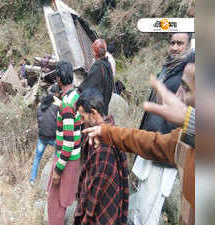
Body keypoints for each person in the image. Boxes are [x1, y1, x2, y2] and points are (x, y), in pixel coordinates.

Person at [83, 58, 195, 225]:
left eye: (186, 88)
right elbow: (147, 142)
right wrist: (106, 131)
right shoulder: (184, 140)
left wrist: (191, 119)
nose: (177, 95)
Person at [130, 33, 193, 225]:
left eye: (179, 43)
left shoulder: (189, 72)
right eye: (172, 43)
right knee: (141, 200)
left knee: (150, 206)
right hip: (151, 142)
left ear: (189, 45)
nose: (174, 47)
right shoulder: (169, 67)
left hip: (164, 149)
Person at [74, 88, 129, 225]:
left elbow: (94, 191)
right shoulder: (110, 130)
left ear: (93, 113)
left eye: (83, 117)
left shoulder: (103, 146)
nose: (81, 121)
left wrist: (84, 217)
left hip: (102, 212)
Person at [47, 61, 82, 225]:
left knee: (55, 205)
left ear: (59, 79)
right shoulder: (76, 95)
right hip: (74, 157)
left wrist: (58, 170)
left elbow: (68, 142)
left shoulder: (67, 104)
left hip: (65, 159)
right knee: (62, 202)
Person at [29, 84, 61, 186]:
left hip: (42, 137)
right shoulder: (59, 104)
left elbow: (39, 118)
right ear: (57, 93)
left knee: (37, 158)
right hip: (53, 137)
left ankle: (32, 180)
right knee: (57, 156)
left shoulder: (40, 104)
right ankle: (53, 180)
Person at [78, 39, 114, 116]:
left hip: (96, 113)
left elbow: (87, 86)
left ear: (94, 52)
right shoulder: (108, 65)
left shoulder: (97, 67)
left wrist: (77, 91)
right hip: (105, 108)